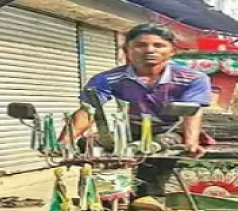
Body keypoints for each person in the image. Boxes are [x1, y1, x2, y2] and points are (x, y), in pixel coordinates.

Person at [62, 23, 212, 199]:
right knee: (88, 146)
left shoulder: (193, 78)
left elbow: (192, 113)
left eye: (158, 45)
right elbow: (88, 110)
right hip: (130, 132)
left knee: (151, 160)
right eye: (140, 45)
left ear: (172, 51)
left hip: (170, 132)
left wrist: (191, 143)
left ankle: (151, 205)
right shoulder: (108, 78)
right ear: (127, 50)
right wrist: (65, 141)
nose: (149, 50)